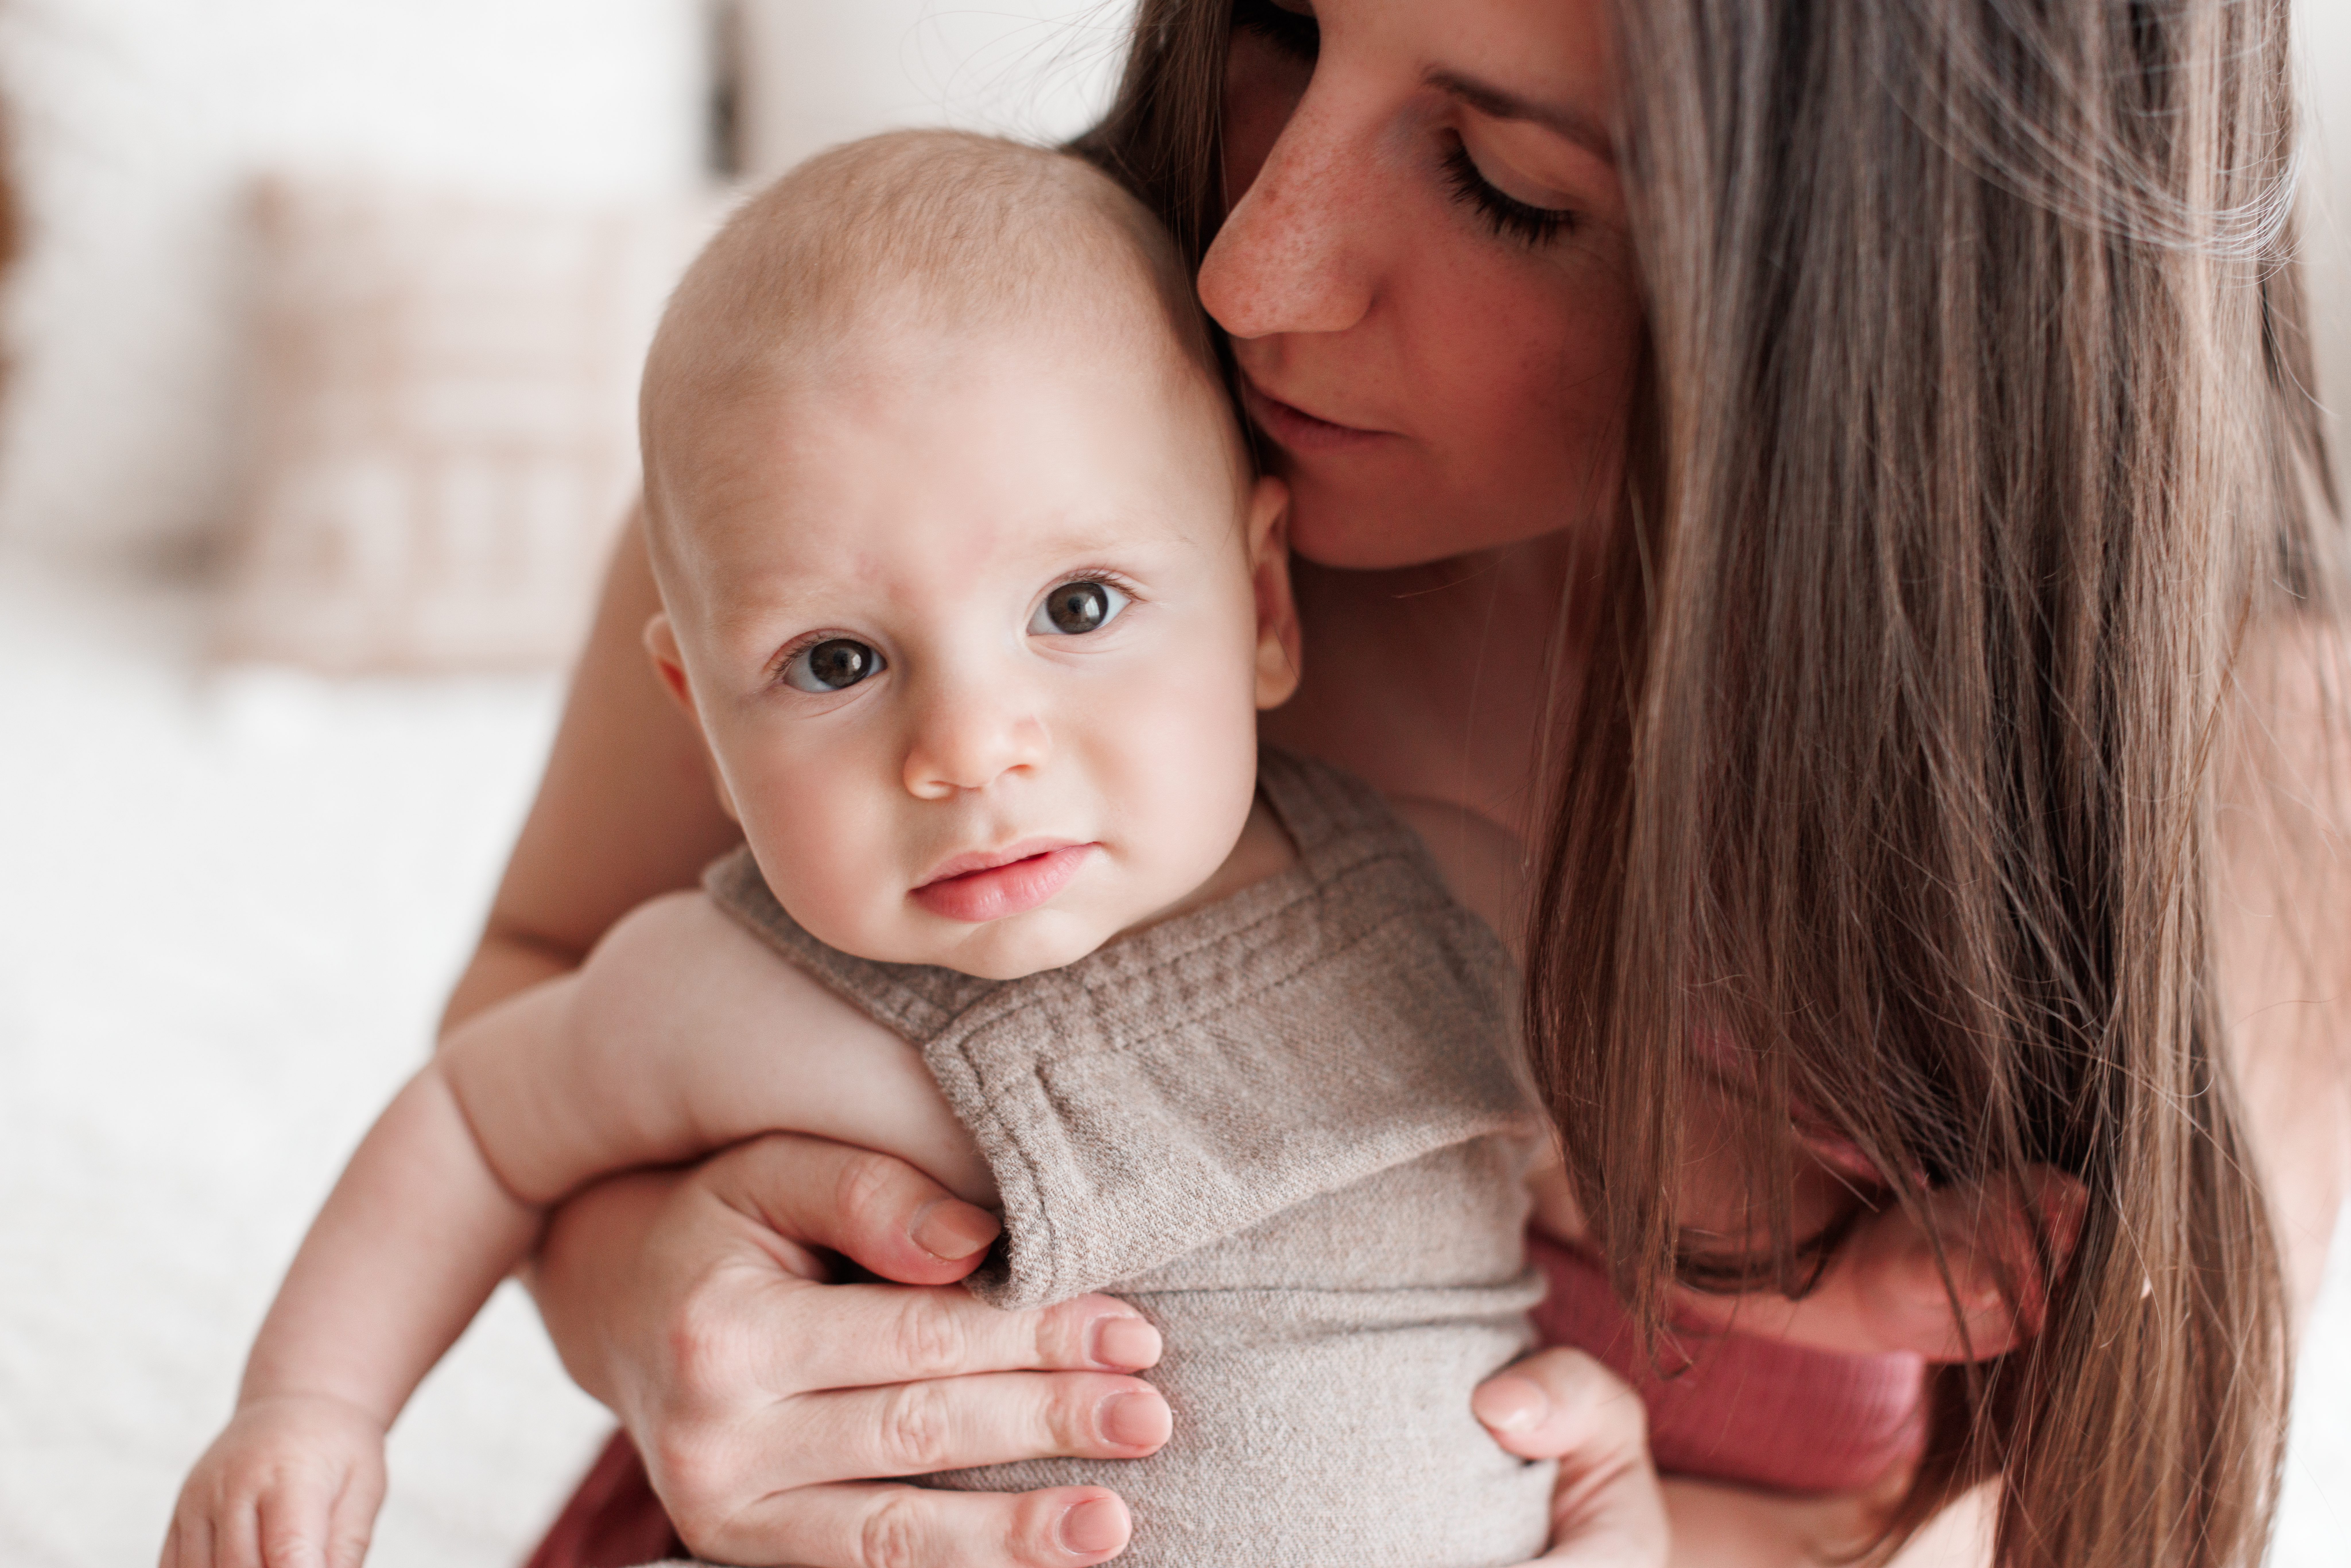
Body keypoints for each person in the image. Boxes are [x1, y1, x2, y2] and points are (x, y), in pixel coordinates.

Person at [457, 2, 2351, 1566]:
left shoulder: (2239, 767)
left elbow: (2093, 1510)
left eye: (1502, 184)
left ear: (1888, 279)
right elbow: (537, 1001)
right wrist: (647, 1306)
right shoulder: (929, 430)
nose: (1248, 260)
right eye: (1276, 25)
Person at [164, 132, 1597, 1568]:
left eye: (1077, 608)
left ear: (1264, 605)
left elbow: (1618, 1248)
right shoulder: (728, 991)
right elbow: (473, 1126)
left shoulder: (1451, 899)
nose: (968, 747)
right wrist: (312, 1407)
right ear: (701, 724)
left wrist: (1595, 1464)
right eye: (837, 659)